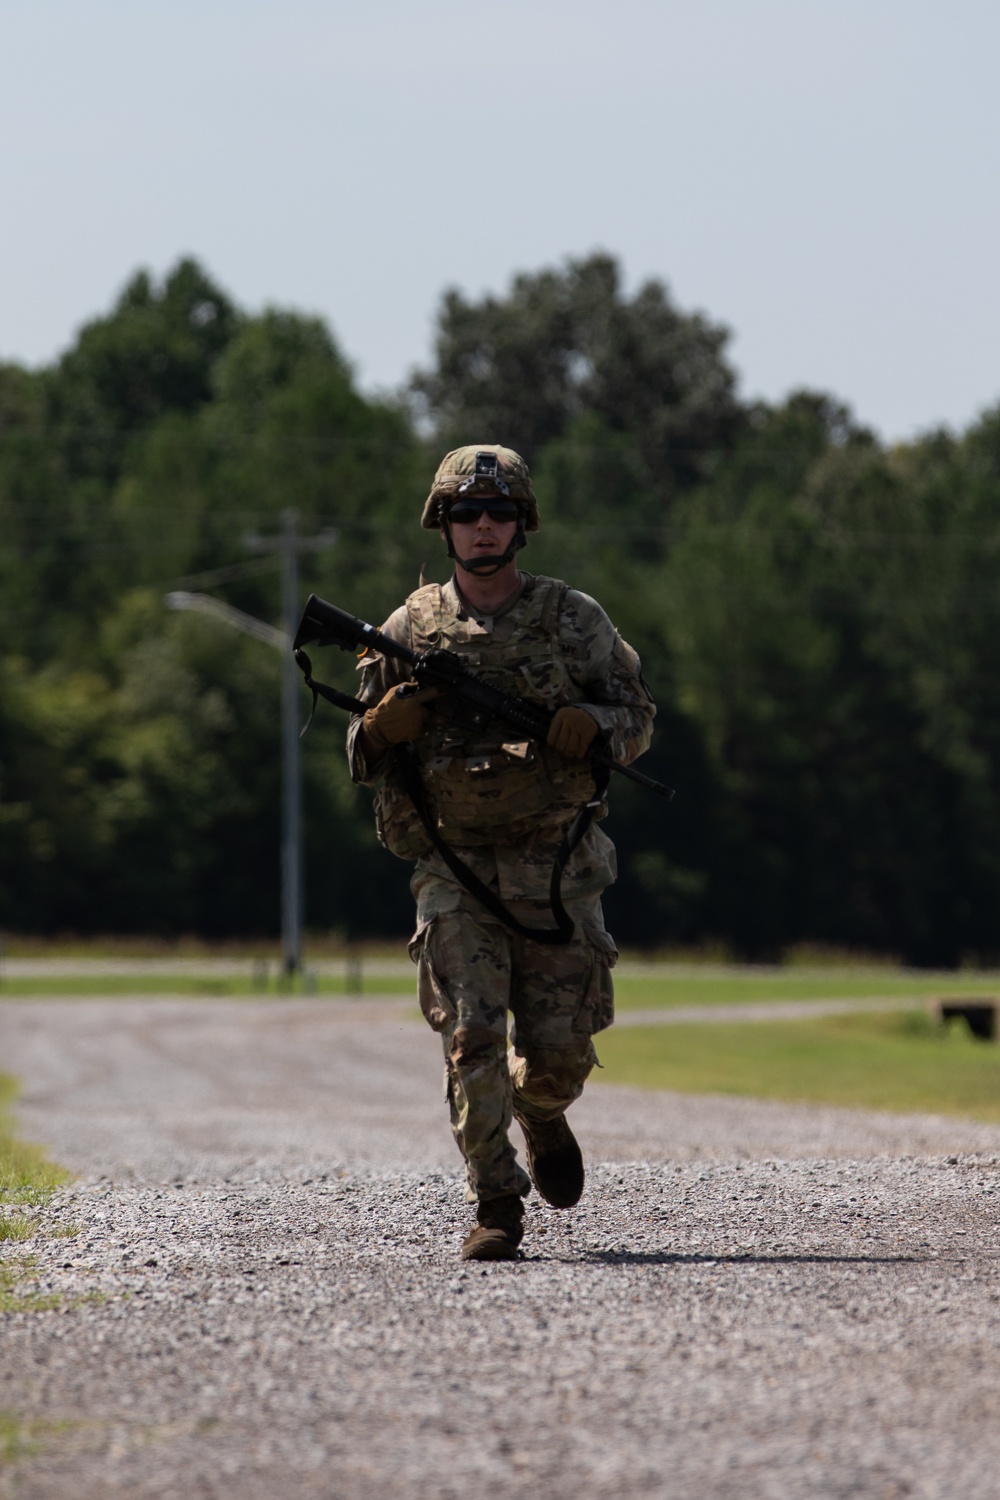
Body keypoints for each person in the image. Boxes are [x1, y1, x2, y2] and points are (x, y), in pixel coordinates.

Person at [347, 444, 655, 1261]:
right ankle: (496, 1201)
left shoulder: (573, 620)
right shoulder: (408, 628)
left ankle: (541, 1112)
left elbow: (638, 720)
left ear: (522, 524)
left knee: (559, 1059)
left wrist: (596, 727)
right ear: (442, 526)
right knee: (472, 1034)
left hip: (554, 868)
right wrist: (381, 727)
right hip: (452, 870)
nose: (482, 527)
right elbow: (359, 750)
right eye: (465, 514)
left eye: (498, 513)